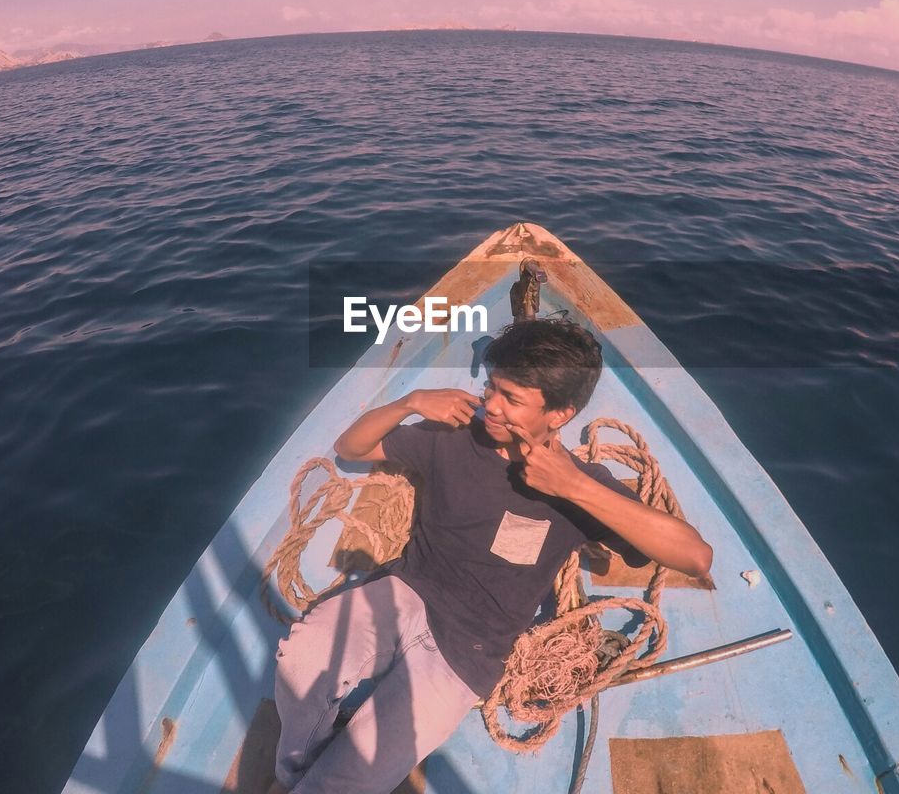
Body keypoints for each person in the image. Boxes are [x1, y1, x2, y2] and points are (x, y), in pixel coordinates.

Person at [267, 318, 713, 794]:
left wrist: (574, 486)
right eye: (492, 387)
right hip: (407, 591)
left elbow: (695, 557)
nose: (491, 407)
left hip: (469, 654)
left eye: (512, 399)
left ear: (560, 414)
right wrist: (411, 403)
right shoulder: (455, 435)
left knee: (353, 778)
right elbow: (350, 447)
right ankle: (295, 776)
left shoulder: (582, 485)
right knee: (303, 662)